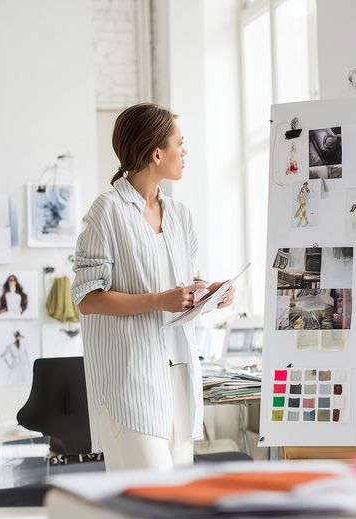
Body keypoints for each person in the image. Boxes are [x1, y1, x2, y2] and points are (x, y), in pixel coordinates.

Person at [72, 103, 236, 471]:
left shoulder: (181, 215)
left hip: (179, 373)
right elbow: (87, 298)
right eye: (181, 143)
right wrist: (158, 300)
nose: (185, 152)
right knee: (149, 505)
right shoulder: (107, 211)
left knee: (176, 510)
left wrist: (210, 293)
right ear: (156, 153)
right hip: (131, 380)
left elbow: (184, 287)